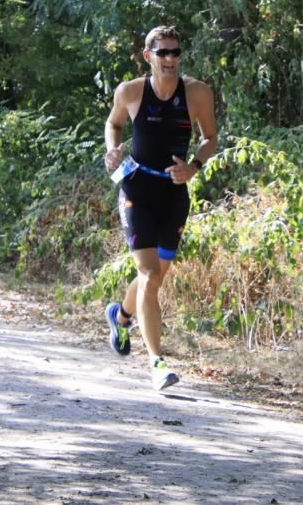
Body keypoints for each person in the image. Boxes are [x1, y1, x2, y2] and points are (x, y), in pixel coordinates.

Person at [102, 26, 218, 390]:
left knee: (155, 279)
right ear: (147, 55)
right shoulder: (131, 91)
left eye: (175, 52)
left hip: (173, 193)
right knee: (149, 276)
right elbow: (113, 123)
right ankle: (156, 364)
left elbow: (210, 138)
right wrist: (113, 149)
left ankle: (120, 316)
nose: (170, 59)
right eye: (162, 52)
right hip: (137, 188)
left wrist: (194, 167)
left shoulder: (197, 93)